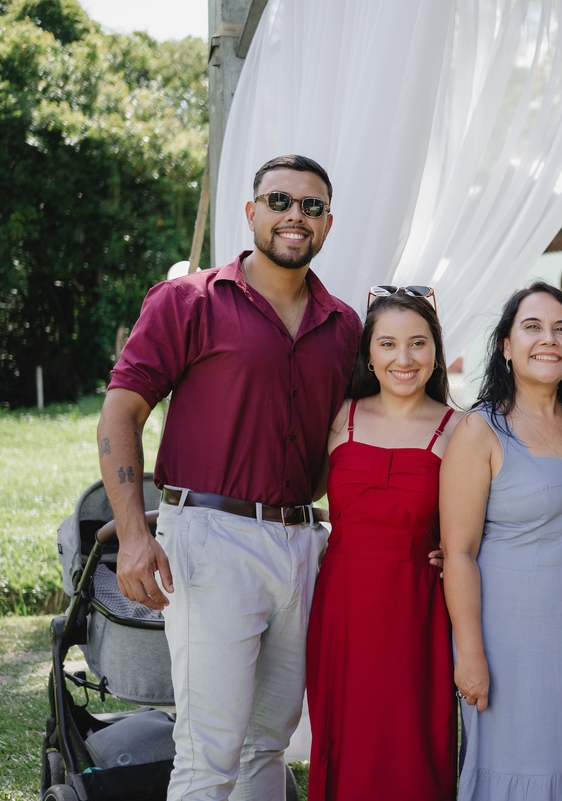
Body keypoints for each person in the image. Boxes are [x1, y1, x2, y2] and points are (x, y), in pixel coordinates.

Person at [98, 155, 361, 801]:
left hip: (302, 544)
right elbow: (121, 413)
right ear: (251, 212)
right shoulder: (188, 301)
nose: (295, 216)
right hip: (210, 539)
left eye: (312, 206)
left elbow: (360, 436)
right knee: (209, 753)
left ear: (328, 223)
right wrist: (133, 534)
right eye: (280, 201)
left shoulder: (343, 325)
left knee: (267, 743)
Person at [441, 282, 562, 801]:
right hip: (509, 637)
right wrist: (470, 654)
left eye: (561, 329)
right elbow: (458, 553)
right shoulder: (480, 431)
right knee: (519, 763)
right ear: (506, 346)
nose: (549, 338)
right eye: (532, 327)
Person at [305, 287, 460, 800]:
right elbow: (293, 495)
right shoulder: (338, 416)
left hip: (416, 607)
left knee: (411, 744)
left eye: (417, 343)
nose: (403, 358)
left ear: (435, 350)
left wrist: (459, 549)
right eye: (388, 344)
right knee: (345, 738)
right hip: (343, 605)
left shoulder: (459, 428)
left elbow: (485, 520)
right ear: (368, 354)